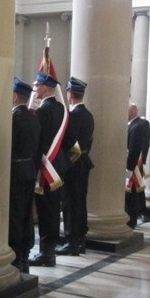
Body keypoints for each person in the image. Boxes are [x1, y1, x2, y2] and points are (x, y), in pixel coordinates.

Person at [29, 72, 74, 267]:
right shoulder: (64, 111)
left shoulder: (42, 111)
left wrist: (33, 166)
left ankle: (46, 254)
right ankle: (50, 252)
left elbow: (35, 143)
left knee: (45, 211)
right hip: (59, 168)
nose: (35, 89)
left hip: (45, 170)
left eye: (37, 85)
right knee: (54, 210)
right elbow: (74, 145)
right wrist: (65, 163)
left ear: (46, 87)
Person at [56, 77, 93, 256]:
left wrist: (67, 159)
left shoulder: (72, 116)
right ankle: (81, 240)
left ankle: (72, 242)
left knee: (70, 203)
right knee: (80, 202)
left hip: (73, 165)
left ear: (70, 94)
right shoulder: (88, 115)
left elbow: (71, 142)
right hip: (84, 162)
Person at [9, 78, 40, 272]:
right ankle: (25, 256)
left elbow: (9, 148)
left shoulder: (15, 118)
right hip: (29, 170)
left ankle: (16, 255)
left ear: (14, 97)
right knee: (26, 214)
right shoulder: (33, 118)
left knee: (15, 215)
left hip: (16, 173)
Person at [126, 103, 150, 228]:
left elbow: (135, 148)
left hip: (134, 165)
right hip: (133, 164)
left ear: (131, 113)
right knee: (135, 191)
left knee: (134, 192)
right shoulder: (134, 125)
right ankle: (136, 214)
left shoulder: (138, 126)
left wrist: (129, 168)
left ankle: (133, 218)